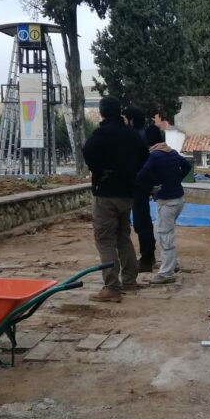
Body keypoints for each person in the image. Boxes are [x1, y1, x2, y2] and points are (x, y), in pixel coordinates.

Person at [82, 96, 150, 302]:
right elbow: (144, 158)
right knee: (123, 236)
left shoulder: (100, 135)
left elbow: (88, 153)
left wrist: (101, 171)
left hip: (105, 194)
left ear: (102, 113)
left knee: (105, 240)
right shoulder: (132, 135)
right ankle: (129, 280)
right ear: (119, 112)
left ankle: (111, 286)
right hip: (127, 194)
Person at [136, 125, 191, 284]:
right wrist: (175, 180)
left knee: (165, 236)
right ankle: (172, 264)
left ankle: (167, 273)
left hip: (167, 202)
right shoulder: (172, 152)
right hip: (178, 199)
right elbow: (186, 166)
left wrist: (151, 187)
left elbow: (140, 176)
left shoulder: (154, 156)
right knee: (158, 231)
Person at [122, 105, 156, 272]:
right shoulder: (144, 136)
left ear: (131, 120)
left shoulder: (135, 137)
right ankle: (148, 256)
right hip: (142, 185)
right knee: (143, 220)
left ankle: (147, 258)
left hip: (137, 185)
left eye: (125, 119)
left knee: (141, 222)